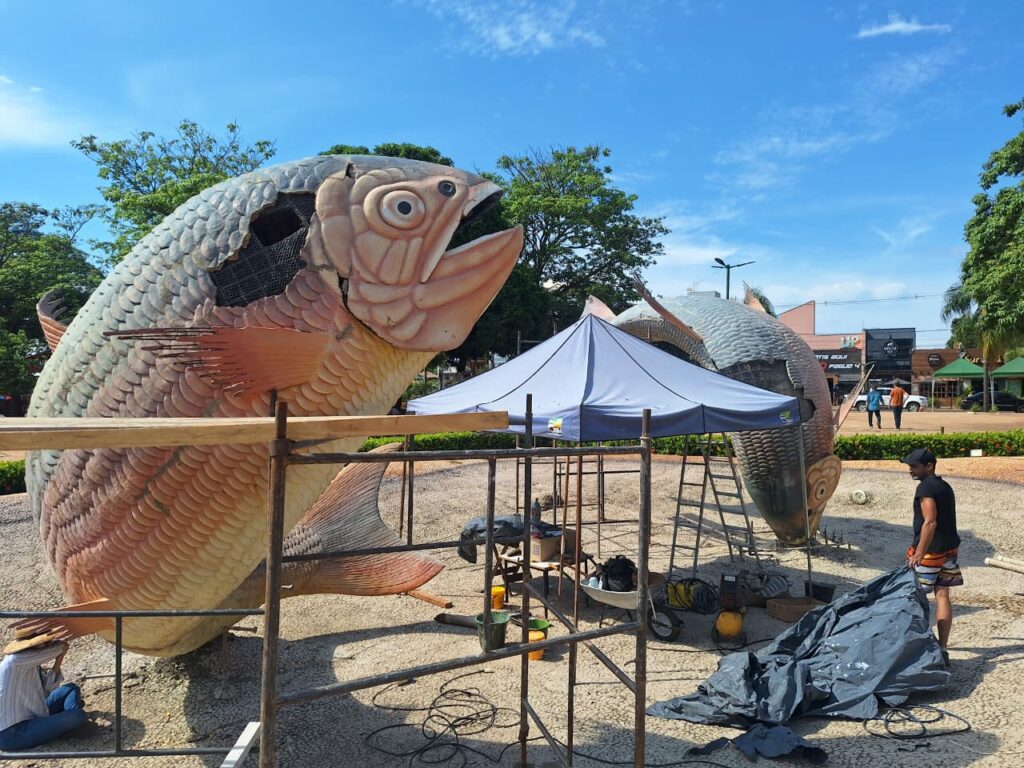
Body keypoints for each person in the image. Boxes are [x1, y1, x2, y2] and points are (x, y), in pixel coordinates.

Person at [901, 447, 962, 663]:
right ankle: (943, 647)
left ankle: (919, 649)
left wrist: (918, 553)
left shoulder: (925, 489)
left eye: (914, 466)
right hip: (949, 551)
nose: (910, 470)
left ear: (929, 466)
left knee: (915, 599)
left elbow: (930, 521)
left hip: (929, 555)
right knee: (942, 596)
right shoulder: (945, 486)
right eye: (909, 466)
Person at [0, 635, 86, 751]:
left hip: (34, 714)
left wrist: (58, 660)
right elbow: (59, 647)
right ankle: (68, 724)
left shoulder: (31, 664)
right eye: (45, 642)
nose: (48, 644)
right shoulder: (16, 660)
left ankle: (66, 725)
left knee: (70, 689)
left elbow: (47, 690)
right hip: (12, 733)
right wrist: (62, 645)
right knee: (76, 716)